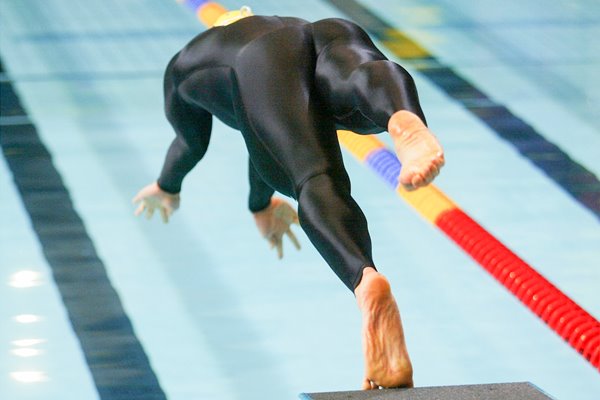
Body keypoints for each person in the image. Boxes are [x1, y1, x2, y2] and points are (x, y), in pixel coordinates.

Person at [133, 6, 444, 390]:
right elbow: (261, 133)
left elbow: (191, 144)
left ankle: (364, 278)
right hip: (329, 33)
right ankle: (402, 117)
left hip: (262, 66)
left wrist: (167, 185)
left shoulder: (185, 67)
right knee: (356, 79)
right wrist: (259, 204)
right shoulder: (281, 24)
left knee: (314, 177)